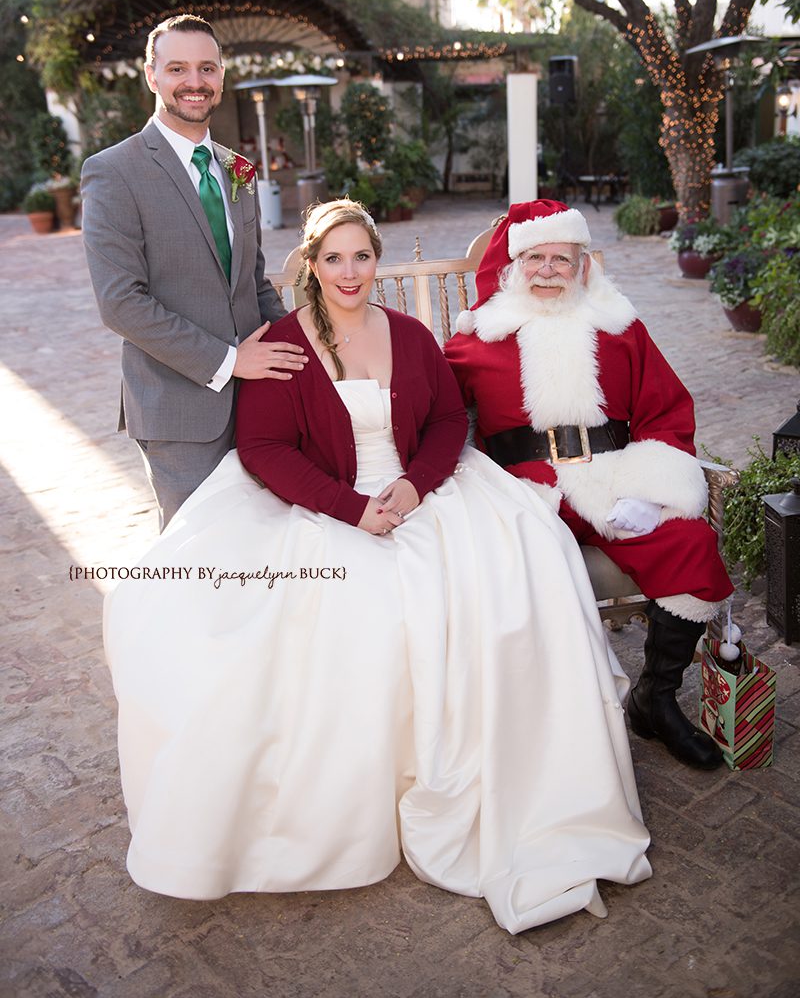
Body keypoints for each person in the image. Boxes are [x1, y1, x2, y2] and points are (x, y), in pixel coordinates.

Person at [103, 199, 651, 934]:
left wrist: (414, 486)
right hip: (325, 499)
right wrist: (349, 508)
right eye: (334, 259)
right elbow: (264, 450)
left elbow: (449, 423)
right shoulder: (287, 344)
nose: (350, 272)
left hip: (420, 489)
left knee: (525, 555)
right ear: (310, 266)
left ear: (376, 260)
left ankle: (529, 776)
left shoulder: (412, 335)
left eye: (362, 256)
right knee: (327, 601)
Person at [444, 199, 734, 771]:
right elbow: (437, 422)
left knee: (691, 546)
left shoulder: (621, 330)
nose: (549, 269)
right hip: (524, 491)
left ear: (583, 265)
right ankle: (544, 720)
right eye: (536, 258)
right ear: (511, 265)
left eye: (562, 258)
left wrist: (652, 492)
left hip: (616, 479)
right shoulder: (476, 342)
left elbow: (667, 410)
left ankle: (654, 700)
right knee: (510, 568)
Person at [81, 14, 306, 528]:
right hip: (178, 410)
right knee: (198, 562)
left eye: (207, 68)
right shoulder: (113, 171)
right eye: (178, 68)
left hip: (258, 404)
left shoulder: (238, 169)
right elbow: (120, 302)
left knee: (261, 547)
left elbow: (251, 282)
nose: (194, 82)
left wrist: (306, 351)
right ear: (151, 75)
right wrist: (229, 362)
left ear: (222, 76)